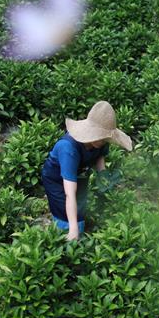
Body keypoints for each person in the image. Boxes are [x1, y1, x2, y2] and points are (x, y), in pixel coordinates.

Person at [41, 101, 133, 240]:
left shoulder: (101, 142)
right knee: (65, 216)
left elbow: (100, 156)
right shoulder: (68, 149)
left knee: (81, 206)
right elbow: (69, 193)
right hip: (57, 178)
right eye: (102, 138)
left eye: (106, 139)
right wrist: (73, 229)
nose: (103, 142)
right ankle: (63, 238)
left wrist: (102, 175)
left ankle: (78, 232)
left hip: (81, 172)